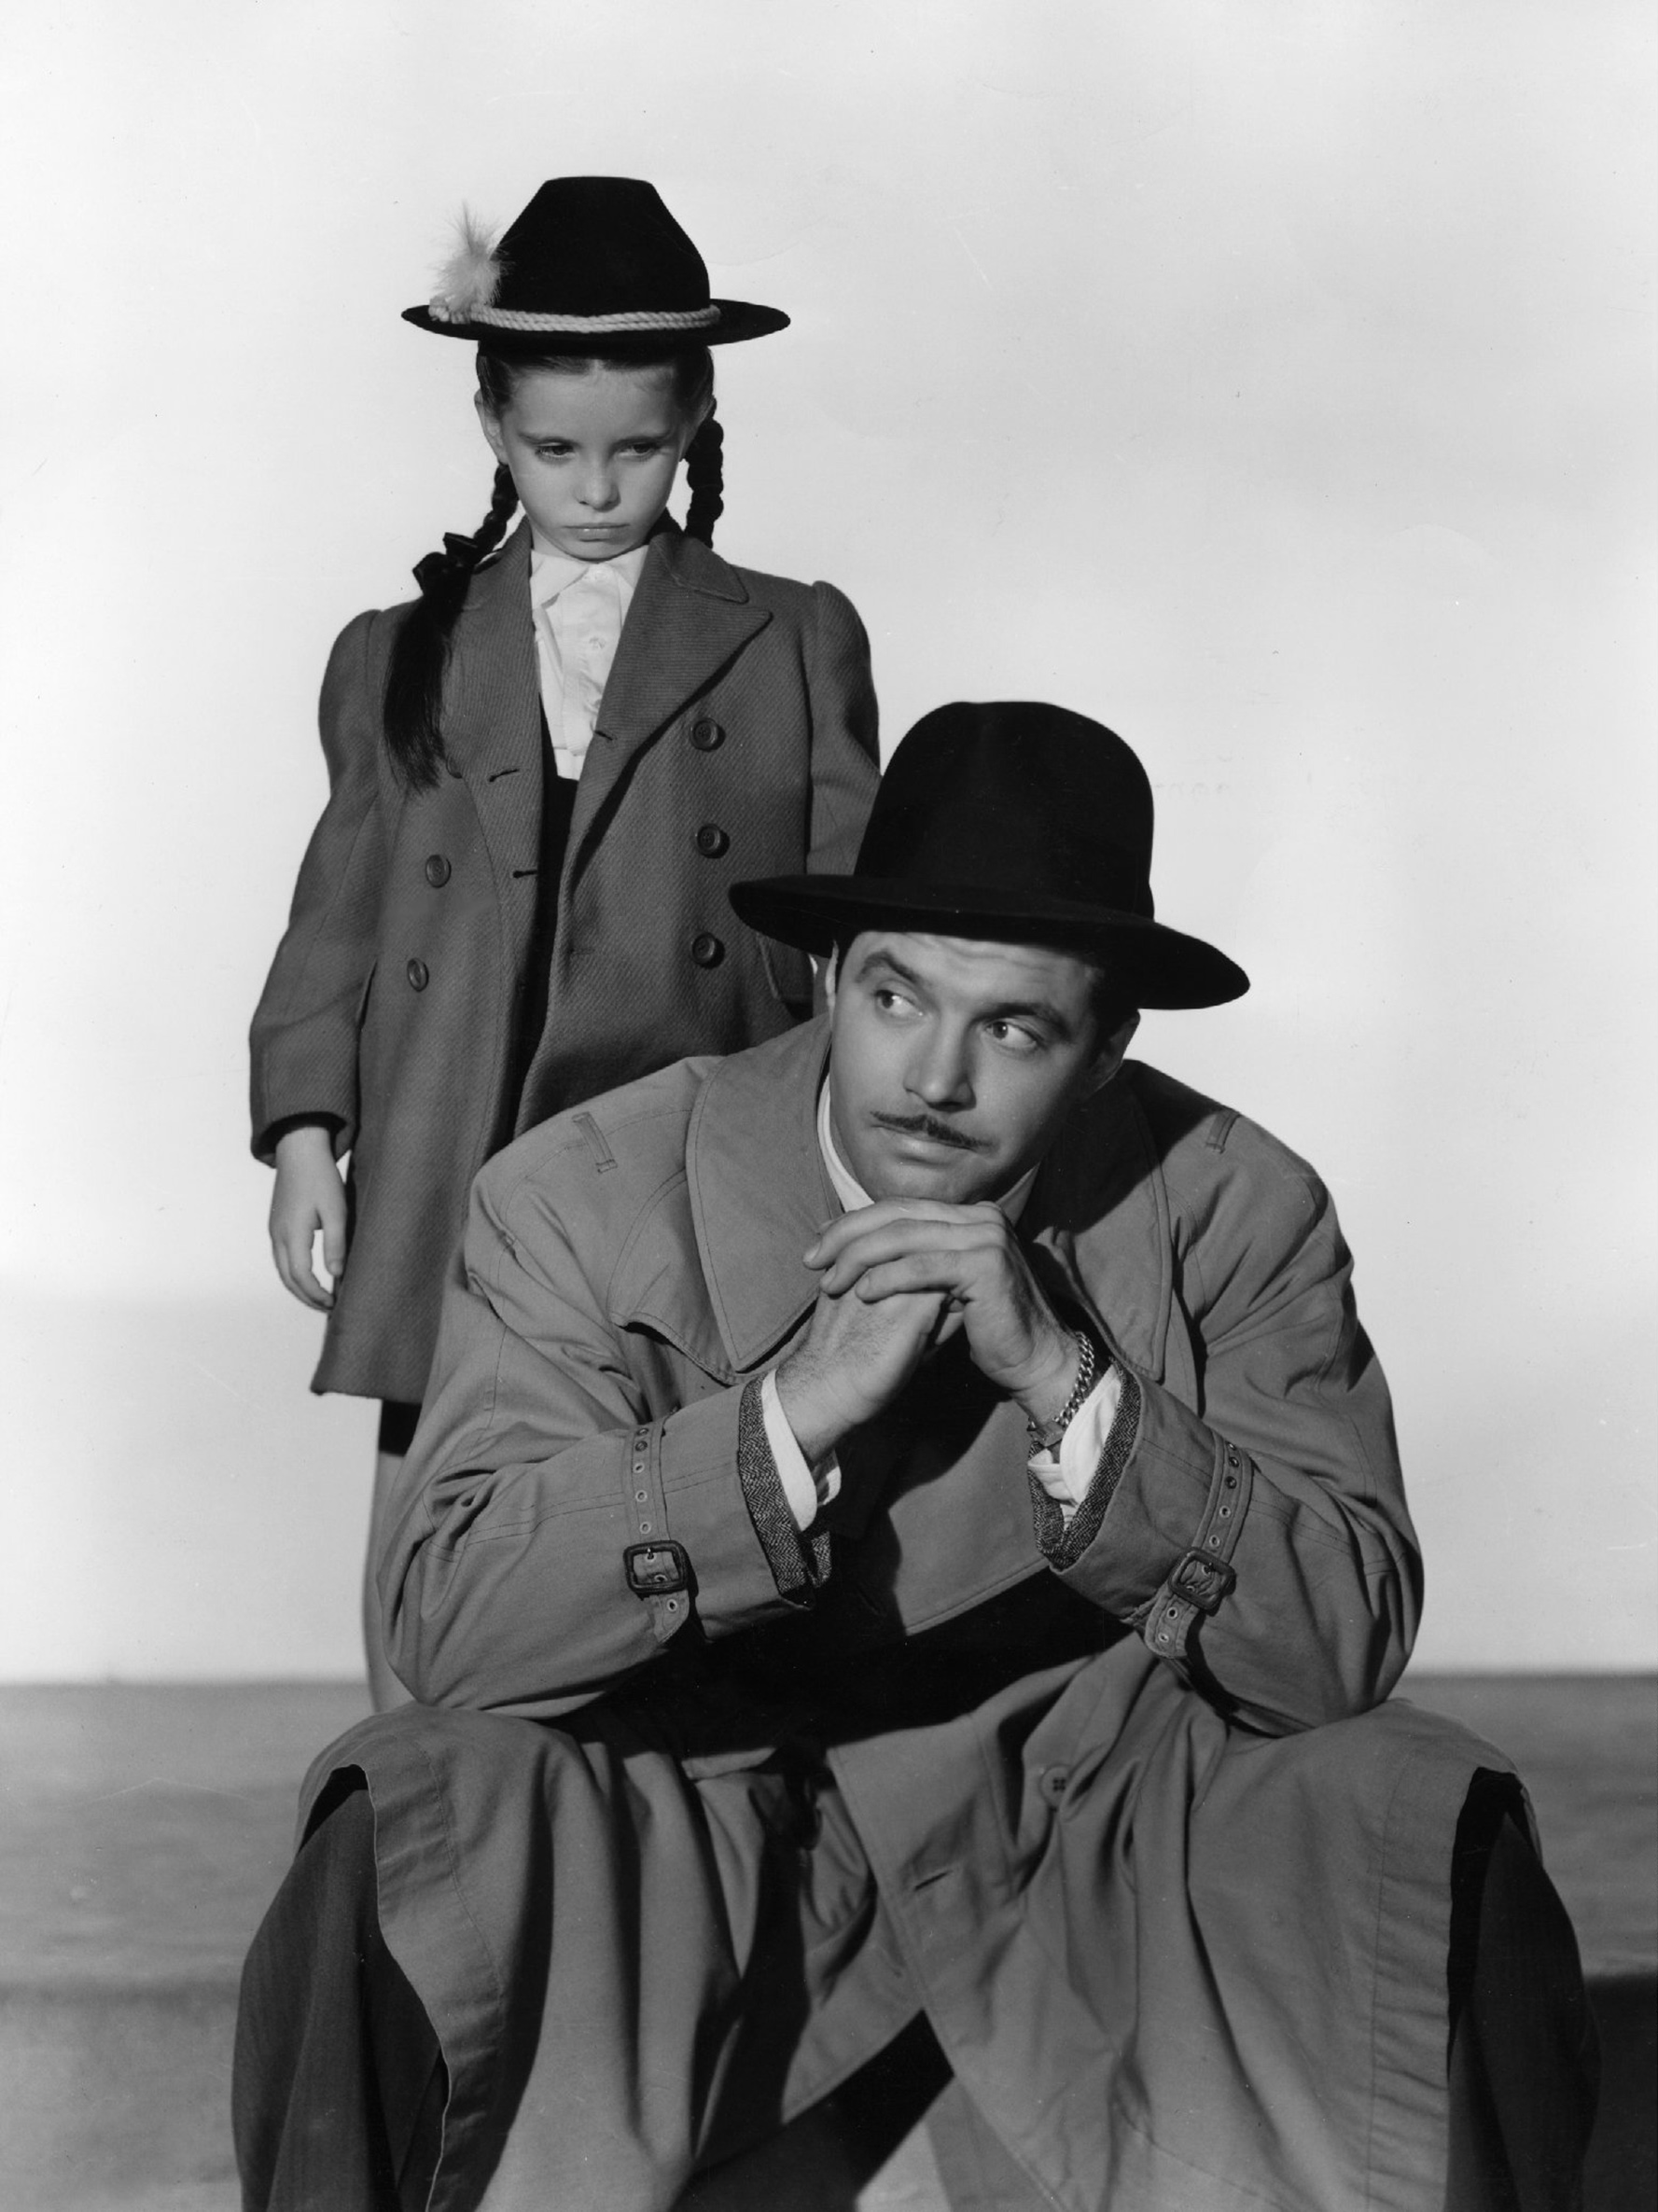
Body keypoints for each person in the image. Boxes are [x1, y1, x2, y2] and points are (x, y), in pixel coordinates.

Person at [234, 703, 1596, 2209]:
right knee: (408, 1799)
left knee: (1423, 1805)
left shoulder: (1237, 1205)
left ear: (1102, 1054)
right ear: (826, 978)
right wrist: (787, 1415)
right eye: (895, 997)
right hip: (699, 1825)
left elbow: (1339, 1641)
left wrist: (1071, 1378)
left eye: (1013, 1027)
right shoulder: (577, 1188)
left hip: (1094, 1822)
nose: (932, 1078)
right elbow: (451, 1629)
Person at [249, 177, 879, 1705]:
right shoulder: (398, 650)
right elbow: (339, 901)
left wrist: (849, 1145)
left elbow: (855, 910)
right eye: (553, 449)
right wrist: (308, 1133)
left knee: (689, 1461)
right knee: (441, 1487)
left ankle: (666, 1832)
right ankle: (422, 1802)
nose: (597, 488)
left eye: (639, 449)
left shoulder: (793, 635)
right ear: (487, 421)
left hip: (682, 1118)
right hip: (455, 1123)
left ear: (698, 418)